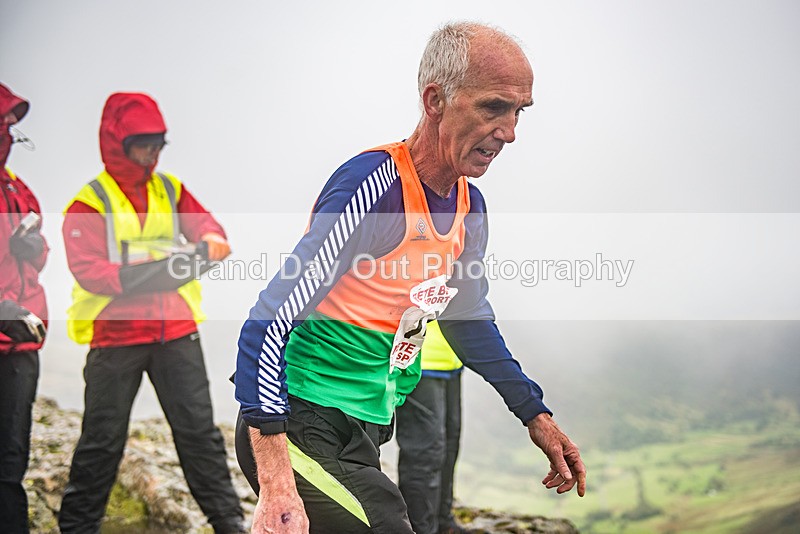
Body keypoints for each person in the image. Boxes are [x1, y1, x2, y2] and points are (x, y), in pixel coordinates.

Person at [234, 22, 587, 533]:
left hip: (367, 431)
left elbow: (466, 318)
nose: (510, 132)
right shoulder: (376, 191)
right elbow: (267, 322)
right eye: (493, 107)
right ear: (435, 99)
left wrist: (535, 414)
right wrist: (277, 483)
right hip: (299, 427)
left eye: (519, 112)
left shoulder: (470, 207)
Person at [59, 92, 245, 534]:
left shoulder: (171, 189)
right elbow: (90, 271)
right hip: (115, 338)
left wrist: (212, 243)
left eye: (159, 144)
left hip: (176, 332)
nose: (152, 154)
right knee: (101, 443)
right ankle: (77, 528)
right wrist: (159, 272)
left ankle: (230, 524)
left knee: (199, 435)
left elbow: (211, 231)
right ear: (117, 143)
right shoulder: (89, 203)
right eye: (143, 144)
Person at [0, 82, 48, 534]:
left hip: (20, 348)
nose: (10, 134)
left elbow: (40, 255)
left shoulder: (20, 190)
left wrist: (33, 244)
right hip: (9, 325)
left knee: (10, 465)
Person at [396, 321, 464, 534]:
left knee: (449, 444)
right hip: (419, 359)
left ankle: (444, 522)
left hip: (452, 358)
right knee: (425, 454)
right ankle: (419, 529)